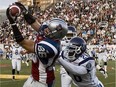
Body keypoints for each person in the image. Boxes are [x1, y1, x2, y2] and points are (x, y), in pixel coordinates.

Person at [6, 2, 68, 87]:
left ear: (55, 34)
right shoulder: (50, 35)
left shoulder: (51, 47)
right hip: (34, 76)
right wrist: (25, 12)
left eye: (49, 29)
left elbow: (22, 42)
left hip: (42, 81)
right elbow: (33, 22)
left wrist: (12, 23)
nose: (46, 29)